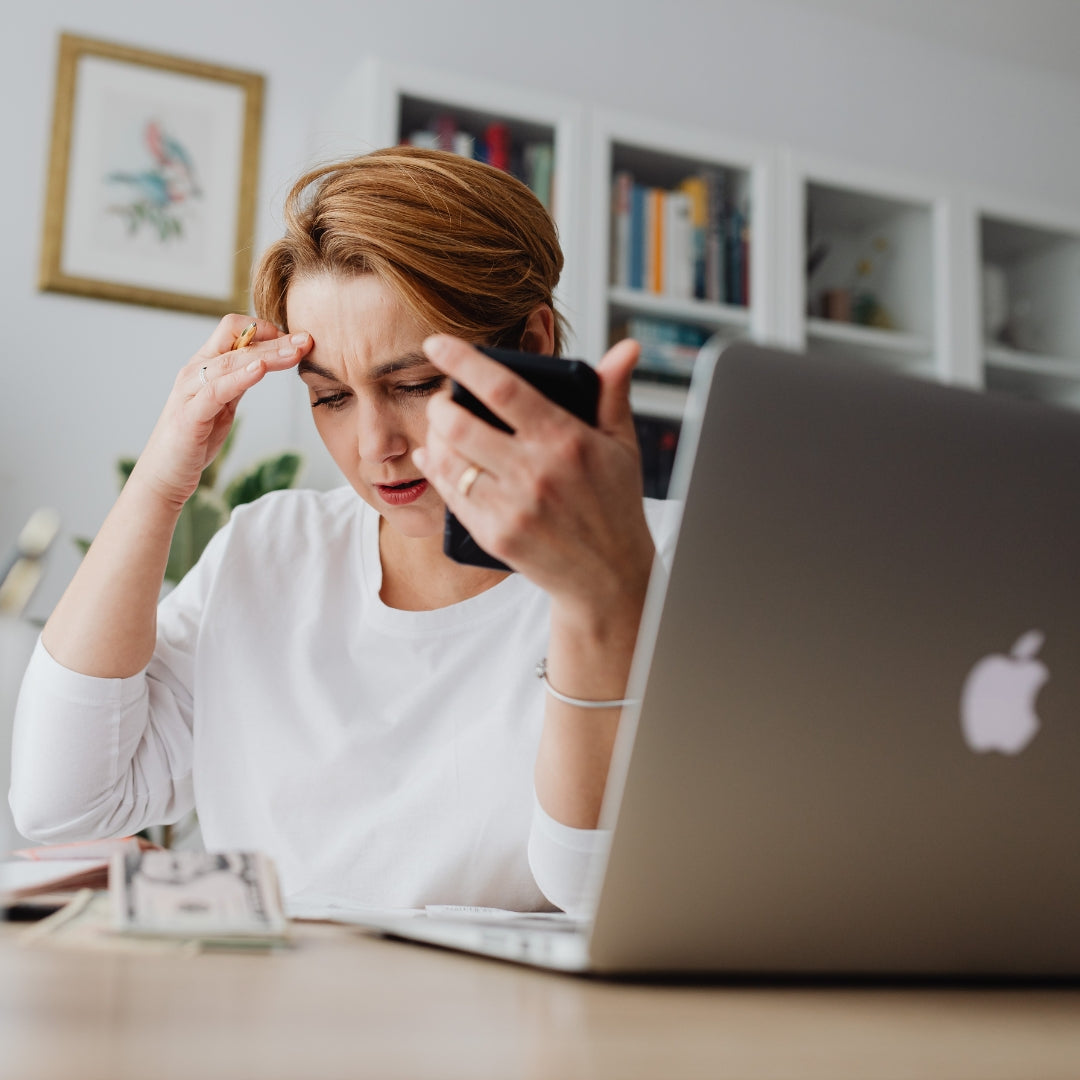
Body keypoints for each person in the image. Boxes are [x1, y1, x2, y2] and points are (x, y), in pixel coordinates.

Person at [9, 147, 680, 914]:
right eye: (330, 397)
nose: (375, 447)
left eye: (415, 385)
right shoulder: (270, 550)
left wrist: (602, 600)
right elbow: (64, 804)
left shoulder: (669, 562)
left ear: (529, 346)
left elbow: (596, 892)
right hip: (275, 1019)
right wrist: (163, 482)